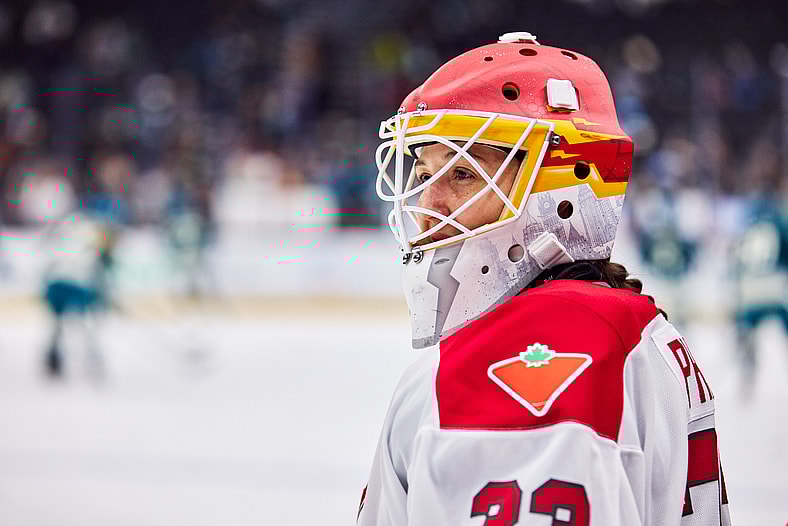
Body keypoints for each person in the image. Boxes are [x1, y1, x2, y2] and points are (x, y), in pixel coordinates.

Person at [359, 32, 731, 525]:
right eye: (424, 174)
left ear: (559, 186)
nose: (428, 207)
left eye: (464, 174)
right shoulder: (634, 330)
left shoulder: (541, 350)